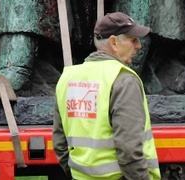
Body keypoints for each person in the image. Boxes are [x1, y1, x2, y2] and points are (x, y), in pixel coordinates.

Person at [53, 12, 160, 179]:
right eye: (133, 40)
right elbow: (129, 148)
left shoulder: (68, 77)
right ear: (114, 42)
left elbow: (60, 142)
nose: (138, 45)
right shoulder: (123, 79)